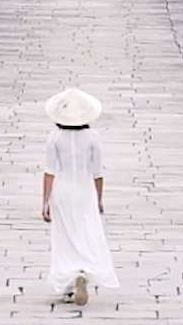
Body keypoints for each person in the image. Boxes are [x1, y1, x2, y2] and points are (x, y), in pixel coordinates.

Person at [41, 86, 119, 305]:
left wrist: (45, 202)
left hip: (62, 189)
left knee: (64, 235)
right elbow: (98, 173)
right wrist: (99, 199)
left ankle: (68, 282)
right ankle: (83, 270)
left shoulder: (54, 137)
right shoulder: (93, 137)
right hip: (85, 189)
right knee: (85, 231)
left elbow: (49, 171)